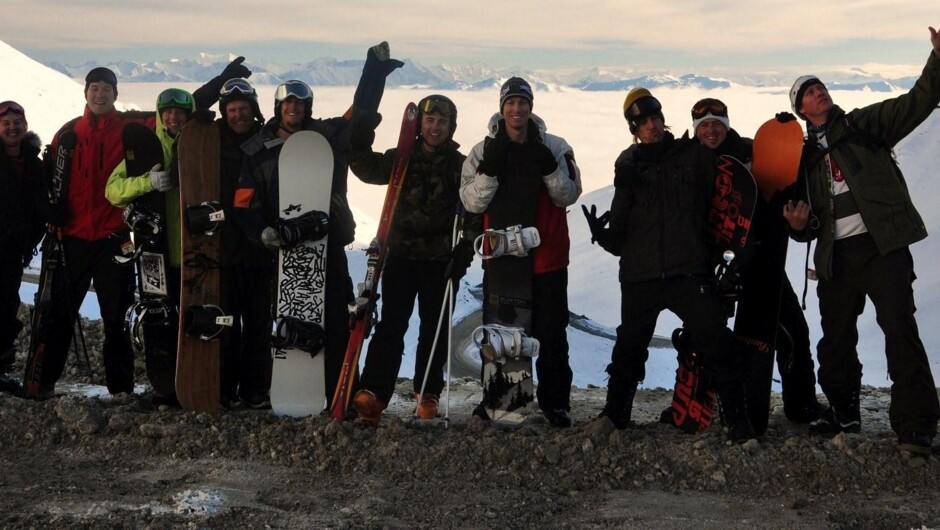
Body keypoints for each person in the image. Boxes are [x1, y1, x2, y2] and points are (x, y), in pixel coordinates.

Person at [782, 27, 940, 454]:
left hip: (882, 246)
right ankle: (844, 411)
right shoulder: (802, 159)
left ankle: (917, 427)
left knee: (899, 330)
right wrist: (798, 227)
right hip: (836, 256)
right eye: (810, 92)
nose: (820, 92)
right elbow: (805, 222)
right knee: (835, 339)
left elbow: (917, 103)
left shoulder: (863, 124)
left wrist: (938, 60)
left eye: (821, 87)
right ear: (800, 108)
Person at [234, 43, 402, 411]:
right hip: (277, 252)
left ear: (307, 108)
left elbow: (358, 116)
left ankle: (339, 392)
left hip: (327, 244)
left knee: (336, 321)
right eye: (288, 105)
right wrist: (261, 232)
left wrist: (373, 74)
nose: (294, 109)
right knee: (277, 323)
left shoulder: (326, 136)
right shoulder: (256, 151)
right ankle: (273, 390)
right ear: (279, 108)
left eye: (300, 105)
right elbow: (244, 202)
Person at [583, 87, 754, 441]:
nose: (651, 126)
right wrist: (604, 236)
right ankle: (615, 416)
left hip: (687, 271)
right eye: (642, 122)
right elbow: (621, 232)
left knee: (716, 343)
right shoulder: (627, 165)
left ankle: (739, 421)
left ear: (663, 119)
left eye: (655, 118)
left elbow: (727, 180)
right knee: (629, 348)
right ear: (634, 128)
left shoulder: (692, 156)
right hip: (640, 274)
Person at [687, 97, 823, 424]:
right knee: (702, 335)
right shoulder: (687, 159)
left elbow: (784, 175)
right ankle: (696, 402)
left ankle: (801, 404)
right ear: (695, 129)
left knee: (791, 331)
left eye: (717, 123)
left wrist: (791, 137)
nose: (710, 130)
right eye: (703, 125)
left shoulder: (752, 152)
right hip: (708, 262)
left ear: (727, 124)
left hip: (759, 258)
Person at [348, 94, 482, 424]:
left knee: (433, 329)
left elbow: (475, 212)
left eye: (443, 122)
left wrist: (463, 254)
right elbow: (365, 168)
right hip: (401, 258)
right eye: (430, 121)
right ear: (420, 124)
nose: (436, 128)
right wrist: (363, 132)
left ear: (452, 127)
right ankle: (374, 394)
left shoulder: (459, 166)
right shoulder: (402, 158)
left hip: (441, 262)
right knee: (391, 326)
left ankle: (428, 394)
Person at [460, 77, 582, 428]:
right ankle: (503, 400)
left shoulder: (555, 146)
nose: (516, 109)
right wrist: (490, 171)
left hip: (547, 259)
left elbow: (568, 194)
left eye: (522, 102)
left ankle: (556, 404)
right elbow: (470, 200)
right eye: (510, 102)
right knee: (502, 334)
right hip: (503, 259)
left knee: (552, 334)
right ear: (502, 107)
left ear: (531, 106)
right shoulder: (482, 151)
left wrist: (549, 168)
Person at [38, 67, 155, 397]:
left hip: (113, 241)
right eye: (94, 88)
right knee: (60, 315)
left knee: (115, 321)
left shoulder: (130, 129)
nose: (99, 94)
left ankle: (120, 391)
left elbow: (169, 116)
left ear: (115, 95)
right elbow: (48, 179)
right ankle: (44, 383)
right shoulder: (69, 133)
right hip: (72, 239)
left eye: (106, 89)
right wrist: (50, 211)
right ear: (86, 93)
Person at [0, 102, 44, 394]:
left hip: (14, 250)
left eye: (17, 122)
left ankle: (1, 369)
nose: (12, 127)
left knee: (5, 306)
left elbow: (40, 207)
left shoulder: (34, 164)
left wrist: (31, 241)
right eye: (6, 123)